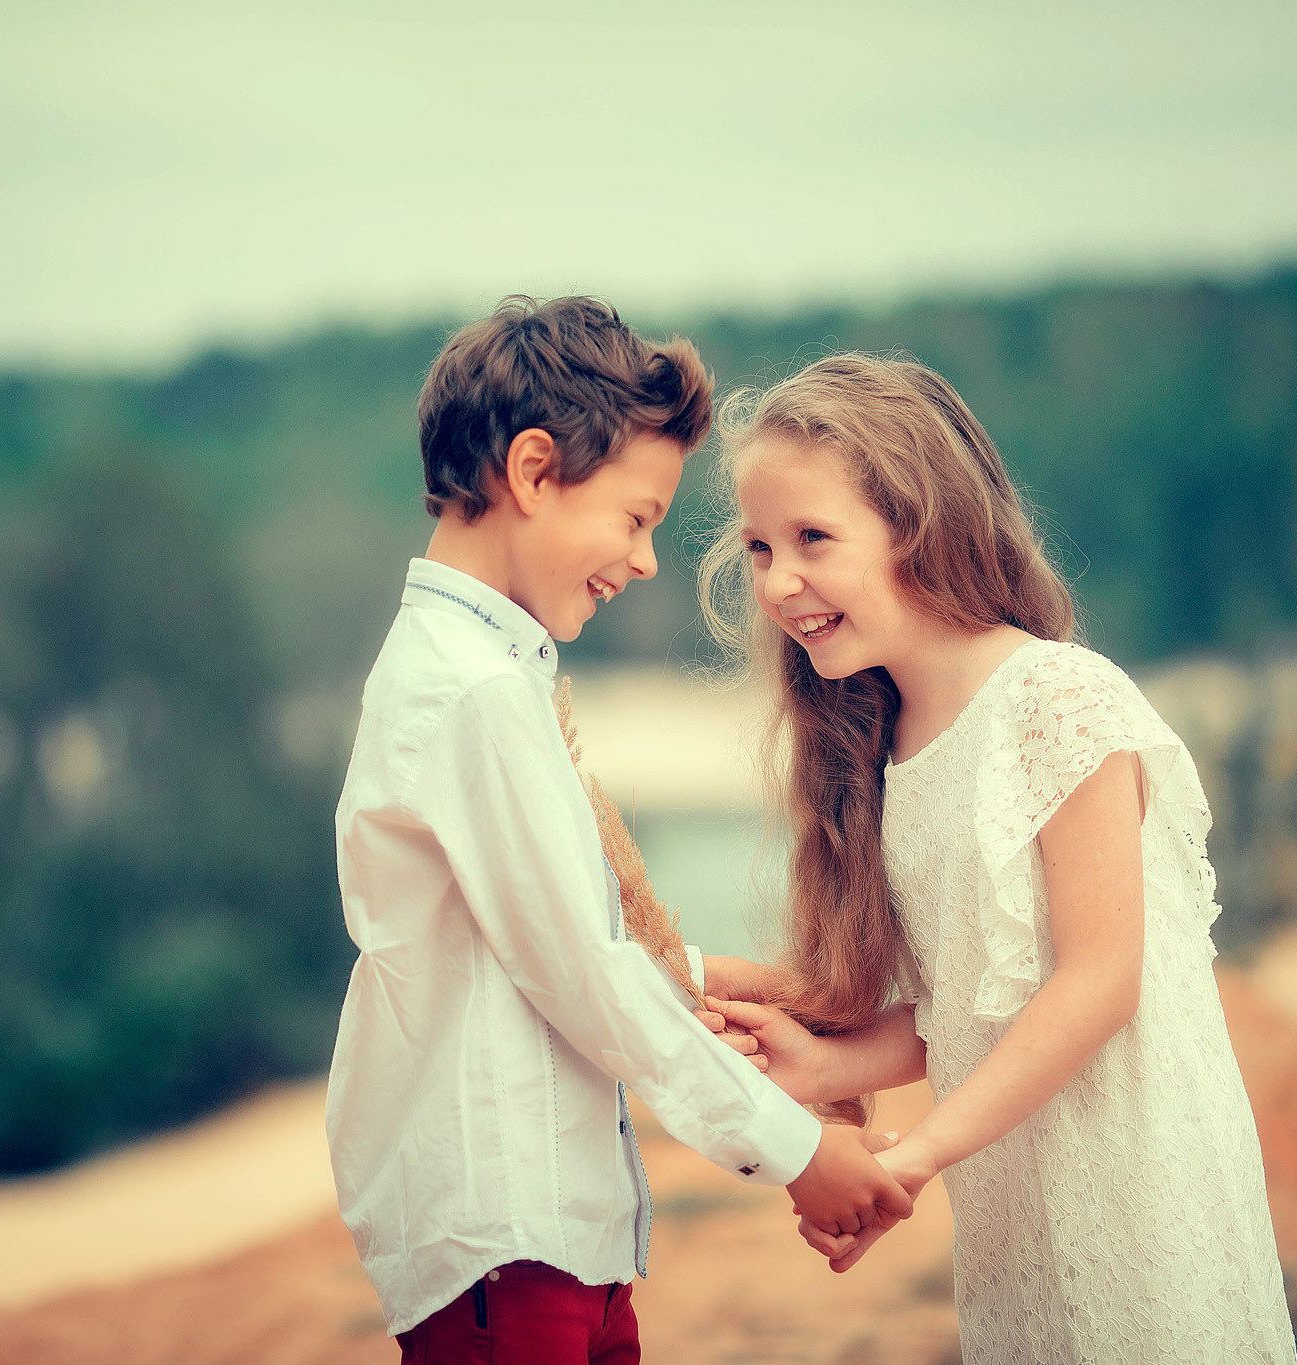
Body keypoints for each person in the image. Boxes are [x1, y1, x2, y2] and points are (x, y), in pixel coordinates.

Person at [326, 299, 913, 1364]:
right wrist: (791, 1150)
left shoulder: (477, 675)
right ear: (534, 472)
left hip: (548, 1243)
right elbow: (583, 975)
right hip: (507, 1244)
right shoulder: (471, 696)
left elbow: (535, 943)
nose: (644, 560)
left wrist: (746, 987)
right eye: (635, 518)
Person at [693, 353, 1297, 1363]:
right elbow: (970, 1006)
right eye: (757, 548)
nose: (778, 582)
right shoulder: (882, 741)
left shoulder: (1056, 698)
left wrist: (913, 1154)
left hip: (1137, 1185)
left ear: (919, 523)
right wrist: (833, 1061)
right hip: (1015, 1216)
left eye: (811, 539)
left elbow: (1097, 983)